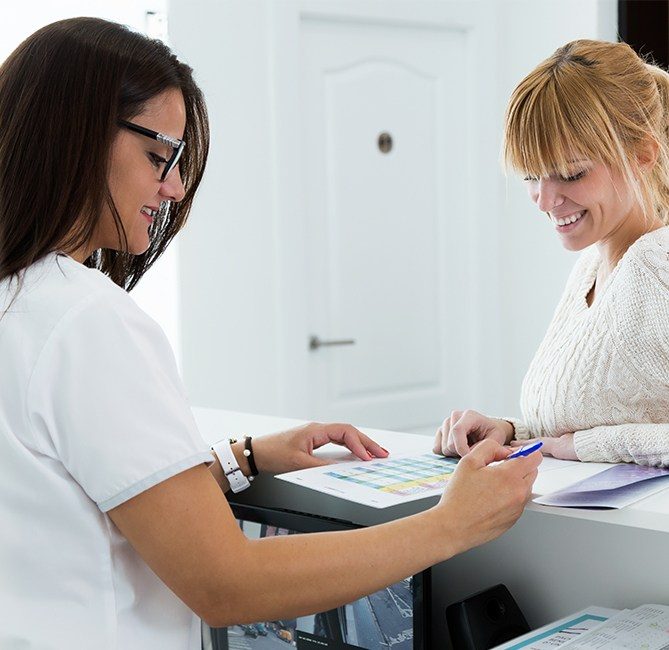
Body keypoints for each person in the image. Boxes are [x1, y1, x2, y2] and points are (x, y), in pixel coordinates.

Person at [0, 17, 541, 650]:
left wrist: (245, 459)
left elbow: (65, 503)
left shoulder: (22, 304)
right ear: (77, 134)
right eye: (158, 156)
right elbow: (226, 584)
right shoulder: (87, 321)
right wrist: (451, 525)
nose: (173, 187)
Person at [434, 39, 669, 468]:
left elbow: (586, 440)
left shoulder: (656, 267)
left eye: (571, 174)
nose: (544, 200)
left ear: (643, 155)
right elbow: (587, 419)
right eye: (532, 176)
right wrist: (511, 431)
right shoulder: (591, 268)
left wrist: (585, 448)